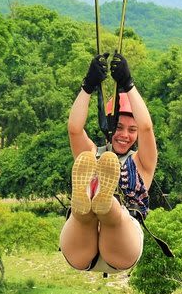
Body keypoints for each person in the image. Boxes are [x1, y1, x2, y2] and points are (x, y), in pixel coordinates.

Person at [59, 52, 158, 274]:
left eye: (131, 130)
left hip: (122, 244)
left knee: (112, 212)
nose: (124, 135)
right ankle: (89, 204)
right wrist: (87, 86)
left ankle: (103, 202)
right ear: (108, 125)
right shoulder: (91, 155)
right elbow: (74, 128)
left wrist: (128, 85)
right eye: (119, 127)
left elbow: (146, 128)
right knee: (82, 214)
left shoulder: (142, 162)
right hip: (83, 247)